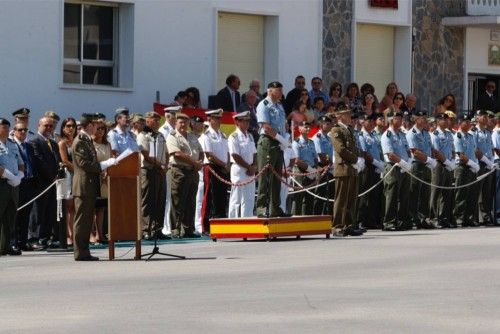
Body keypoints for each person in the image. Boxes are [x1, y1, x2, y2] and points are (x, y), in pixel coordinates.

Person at [72, 113, 116, 261]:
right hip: (83, 186)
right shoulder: (80, 141)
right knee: (82, 220)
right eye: (95, 124)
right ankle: (80, 252)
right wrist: (104, 164)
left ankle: (84, 251)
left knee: (86, 220)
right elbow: (83, 164)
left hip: (89, 186)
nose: (97, 127)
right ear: (89, 125)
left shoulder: (86, 140)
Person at [255, 81, 290, 218]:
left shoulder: (279, 106)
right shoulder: (263, 105)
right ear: (270, 91)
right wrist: (282, 140)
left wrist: (285, 137)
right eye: (279, 90)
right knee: (265, 177)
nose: (281, 93)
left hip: (277, 144)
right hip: (268, 143)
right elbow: (266, 127)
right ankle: (262, 208)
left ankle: (276, 208)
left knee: (277, 178)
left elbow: (284, 125)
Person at [167, 113, 204, 238]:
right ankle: (175, 229)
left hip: (193, 171)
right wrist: (194, 163)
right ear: (176, 123)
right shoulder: (173, 136)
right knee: (177, 201)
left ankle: (188, 229)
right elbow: (176, 153)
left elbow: (201, 151)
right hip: (180, 171)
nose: (183, 125)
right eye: (181, 122)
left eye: (185, 122)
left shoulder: (192, 136)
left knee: (190, 201)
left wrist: (199, 162)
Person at [330, 105, 365, 236]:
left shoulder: (349, 130)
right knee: (341, 199)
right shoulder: (336, 130)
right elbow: (341, 149)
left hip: (352, 168)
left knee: (351, 198)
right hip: (343, 167)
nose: (350, 116)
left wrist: (358, 160)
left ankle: (349, 225)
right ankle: (337, 226)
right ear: (339, 116)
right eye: (347, 114)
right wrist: (356, 160)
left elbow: (354, 148)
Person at [29, 117, 62, 249]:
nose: (49, 128)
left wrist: (58, 174)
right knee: (37, 212)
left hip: (54, 183)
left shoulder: (53, 143)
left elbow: (57, 160)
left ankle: (45, 237)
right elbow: (39, 161)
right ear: (39, 125)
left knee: (50, 211)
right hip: (41, 183)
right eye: (46, 126)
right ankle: (33, 238)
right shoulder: (34, 141)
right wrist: (51, 176)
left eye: (51, 126)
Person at [137, 111, 168, 240]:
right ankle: (145, 229)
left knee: (160, 200)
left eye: (157, 120)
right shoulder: (143, 135)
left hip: (160, 171)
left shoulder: (160, 135)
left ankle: (157, 229)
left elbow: (166, 152)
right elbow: (145, 153)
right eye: (153, 119)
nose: (156, 122)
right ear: (147, 121)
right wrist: (159, 165)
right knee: (147, 201)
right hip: (148, 170)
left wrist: (165, 165)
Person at [406, 110, 438, 229]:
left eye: (425, 118)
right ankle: (414, 218)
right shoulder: (412, 133)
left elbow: (431, 148)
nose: (425, 120)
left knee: (425, 193)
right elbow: (415, 152)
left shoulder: (426, 133)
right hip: (417, 165)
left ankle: (423, 217)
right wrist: (429, 160)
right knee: (415, 192)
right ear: (416, 119)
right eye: (422, 118)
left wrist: (432, 159)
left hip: (426, 165)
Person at [12, 122, 41, 251]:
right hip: (18, 182)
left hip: (29, 183)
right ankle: (14, 242)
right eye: (20, 130)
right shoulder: (11, 145)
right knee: (15, 214)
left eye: (25, 130)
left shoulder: (28, 146)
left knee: (26, 215)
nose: (23, 132)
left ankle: (23, 241)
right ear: (15, 131)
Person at [380, 110, 412, 231]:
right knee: (391, 195)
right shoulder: (387, 135)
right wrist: (403, 163)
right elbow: (390, 154)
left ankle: (402, 221)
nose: (400, 120)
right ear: (391, 120)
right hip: (393, 167)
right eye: (397, 118)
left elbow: (408, 150)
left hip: (404, 168)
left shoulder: (402, 134)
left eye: (401, 118)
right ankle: (389, 222)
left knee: (404, 195)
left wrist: (408, 161)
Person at [201, 109, 229, 233]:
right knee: (210, 196)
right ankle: (207, 225)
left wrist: (227, 164)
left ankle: (221, 221)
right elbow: (209, 155)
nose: (218, 121)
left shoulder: (222, 135)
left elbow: (227, 153)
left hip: (223, 168)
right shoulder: (206, 135)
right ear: (209, 120)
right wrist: (223, 164)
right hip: (212, 167)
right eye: (216, 118)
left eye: (219, 118)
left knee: (222, 196)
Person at [0, 118, 24, 256]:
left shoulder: (12, 144)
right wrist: (11, 176)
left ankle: (5, 246)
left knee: (10, 217)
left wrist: (19, 176)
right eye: (3, 127)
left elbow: (21, 162)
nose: (6, 129)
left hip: (14, 184)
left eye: (7, 127)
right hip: (2, 183)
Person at [453, 112, 480, 227]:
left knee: (472, 194)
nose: (468, 123)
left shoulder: (470, 136)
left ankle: (469, 217)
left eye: (469, 121)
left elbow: (474, 152)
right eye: (466, 121)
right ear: (460, 123)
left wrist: (475, 164)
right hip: (462, 167)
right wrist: (472, 164)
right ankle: (459, 218)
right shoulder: (458, 136)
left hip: (471, 167)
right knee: (461, 194)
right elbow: (460, 155)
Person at [228, 111, 257, 218]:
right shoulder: (233, 136)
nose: (246, 124)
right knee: (237, 198)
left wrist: (254, 166)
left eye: (248, 121)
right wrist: (248, 167)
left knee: (249, 198)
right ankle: (233, 222)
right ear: (237, 122)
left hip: (250, 170)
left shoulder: (250, 136)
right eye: (244, 121)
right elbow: (235, 155)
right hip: (239, 169)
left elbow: (254, 153)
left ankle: (247, 220)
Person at [357, 113, 384, 229]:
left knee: (374, 195)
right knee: (365, 194)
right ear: (363, 122)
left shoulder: (372, 134)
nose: (372, 123)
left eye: (372, 121)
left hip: (375, 167)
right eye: (369, 121)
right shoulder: (361, 135)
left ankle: (371, 220)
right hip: (367, 166)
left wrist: (379, 164)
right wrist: (376, 163)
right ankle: (361, 220)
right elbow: (364, 153)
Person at [430, 113, 456, 228]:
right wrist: (447, 162)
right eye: (444, 119)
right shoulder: (435, 134)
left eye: (447, 120)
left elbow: (453, 149)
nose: (446, 121)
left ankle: (444, 217)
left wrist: (453, 161)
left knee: (447, 193)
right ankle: (434, 218)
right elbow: (436, 152)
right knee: (436, 192)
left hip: (449, 165)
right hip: (439, 164)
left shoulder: (449, 134)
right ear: (438, 121)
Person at [471, 109, 496, 225]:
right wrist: (487, 161)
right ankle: (477, 217)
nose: (486, 118)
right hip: (480, 163)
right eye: (483, 116)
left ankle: (486, 215)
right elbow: (475, 150)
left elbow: (490, 148)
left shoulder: (488, 132)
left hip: (489, 163)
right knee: (478, 191)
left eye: (486, 116)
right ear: (477, 118)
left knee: (487, 191)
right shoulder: (474, 131)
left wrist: (491, 161)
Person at [159, 106, 181, 236]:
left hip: (174, 165)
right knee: (167, 197)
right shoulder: (164, 130)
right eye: (175, 116)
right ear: (168, 116)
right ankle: (166, 226)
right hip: (167, 165)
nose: (176, 118)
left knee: (173, 197)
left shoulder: (175, 130)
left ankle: (171, 225)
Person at [91, 120, 112, 244]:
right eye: (98, 128)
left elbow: (110, 160)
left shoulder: (107, 145)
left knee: (101, 208)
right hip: (94, 178)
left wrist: (108, 172)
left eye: (102, 129)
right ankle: (91, 234)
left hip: (105, 180)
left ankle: (100, 233)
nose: (100, 131)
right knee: (92, 208)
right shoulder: (89, 143)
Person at [58, 118, 77, 248]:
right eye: (68, 126)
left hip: (78, 175)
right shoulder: (62, 143)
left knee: (75, 207)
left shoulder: (77, 141)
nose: (71, 128)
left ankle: (74, 234)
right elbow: (64, 160)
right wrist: (79, 170)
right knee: (68, 206)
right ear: (63, 128)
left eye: (73, 126)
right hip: (68, 174)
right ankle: (67, 235)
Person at [291, 121, 318, 216]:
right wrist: (310, 169)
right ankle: (294, 221)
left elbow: (315, 157)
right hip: (301, 172)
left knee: (310, 198)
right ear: (299, 129)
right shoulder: (296, 143)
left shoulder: (311, 142)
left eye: (309, 127)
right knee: (298, 198)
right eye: (305, 127)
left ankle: (308, 221)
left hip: (311, 172)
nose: (308, 129)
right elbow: (297, 160)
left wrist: (315, 169)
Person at [312, 115, 334, 215]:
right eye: (327, 124)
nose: (330, 126)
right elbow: (321, 155)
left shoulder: (329, 137)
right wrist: (330, 163)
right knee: (320, 194)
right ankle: (316, 216)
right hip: (322, 167)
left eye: (330, 123)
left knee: (330, 194)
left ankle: (328, 216)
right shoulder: (318, 137)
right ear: (321, 125)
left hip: (330, 167)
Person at [191, 115, 206, 234]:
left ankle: (200, 223)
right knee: (197, 198)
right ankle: (196, 224)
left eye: (202, 123)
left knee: (201, 198)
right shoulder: (190, 137)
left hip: (203, 169)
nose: (201, 125)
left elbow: (202, 153)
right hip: (194, 169)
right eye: (198, 123)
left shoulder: (203, 137)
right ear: (193, 124)